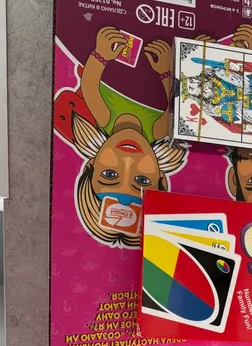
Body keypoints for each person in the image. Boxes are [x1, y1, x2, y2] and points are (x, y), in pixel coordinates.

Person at [71, 29, 187, 247]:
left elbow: (89, 86)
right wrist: (166, 71)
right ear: (160, 178)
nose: (127, 161)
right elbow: (175, 101)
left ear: (92, 164)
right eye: (141, 180)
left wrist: (101, 54)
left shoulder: (104, 118)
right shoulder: (160, 129)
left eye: (109, 174)